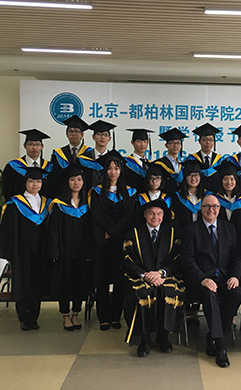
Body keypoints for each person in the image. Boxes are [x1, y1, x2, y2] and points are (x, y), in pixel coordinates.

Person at [181, 195, 241, 368]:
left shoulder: (229, 228)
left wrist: (235, 276)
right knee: (209, 294)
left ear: (219, 208)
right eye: (207, 206)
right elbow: (187, 259)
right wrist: (202, 278)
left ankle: (214, 337)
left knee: (237, 293)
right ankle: (220, 345)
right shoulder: (190, 230)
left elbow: (237, 257)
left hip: (224, 277)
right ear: (201, 208)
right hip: (200, 281)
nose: (211, 210)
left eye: (215, 206)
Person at [121, 199, 185, 357]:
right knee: (142, 294)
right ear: (145, 215)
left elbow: (179, 258)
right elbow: (126, 260)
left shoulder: (172, 234)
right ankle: (145, 339)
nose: (155, 217)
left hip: (165, 276)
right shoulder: (134, 233)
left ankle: (163, 336)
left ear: (164, 216)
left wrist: (162, 273)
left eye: (159, 214)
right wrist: (144, 274)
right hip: (141, 276)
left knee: (168, 292)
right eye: (151, 213)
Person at [0, 167, 51, 331]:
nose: (35, 184)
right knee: (22, 283)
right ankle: (23, 317)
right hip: (22, 251)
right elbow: (8, 230)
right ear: (25, 183)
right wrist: (10, 253)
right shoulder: (15, 204)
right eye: (31, 181)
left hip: (40, 251)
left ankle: (34, 316)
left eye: (38, 181)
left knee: (37, 284)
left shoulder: (47, 203)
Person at [89, 150, 137, 331]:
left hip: (121, 243)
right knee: (101, 281)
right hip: (102, 243)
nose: (112, 172)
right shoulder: (96, 192)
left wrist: (114, 232)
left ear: (121, 170)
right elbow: (96, 216)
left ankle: (116, 316)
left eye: (116, 168)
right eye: (109, 168)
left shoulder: (130, 192)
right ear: (104, 171)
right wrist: (109, 232)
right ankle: (103, 317)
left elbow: (129, 217)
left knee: (120, 281)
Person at [47, 164, 92, 331]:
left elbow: (90, 230)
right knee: (64, 282)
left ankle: (76, 314)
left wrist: (89, 250)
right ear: (67, 182)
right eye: (72, 179)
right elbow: (54, 230)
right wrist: (55, 250)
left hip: (81, 251)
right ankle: (65, 315)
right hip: (64, 251)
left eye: (79, 179)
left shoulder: (88, 203)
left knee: (80, 282)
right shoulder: (59, 204)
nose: (76, 183)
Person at [2, 129, 52, 201]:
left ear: (42, 146)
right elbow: (7, 190)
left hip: (44, 208)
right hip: (19, 208)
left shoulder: (49, 167)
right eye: (30, 144)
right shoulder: (13, 167)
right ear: (25, 146)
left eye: (37, 144)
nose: (34, 147)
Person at [50, 115, 92, 198]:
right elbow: (53, 177)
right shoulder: (58, 154)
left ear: (82, 134)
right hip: (62, 194)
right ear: (66, 134)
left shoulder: (90, 153)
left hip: (84, 195)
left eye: (76, 131)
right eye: (70, 131)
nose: (73, 134)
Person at [211, 160, 241, 241]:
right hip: (220, 241)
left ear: (236, 181)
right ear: (221, 181)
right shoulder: (215, 200)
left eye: (232, 179)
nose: (229, 182)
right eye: (225, 179)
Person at [77, 120, 117, 191]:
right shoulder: (84, 159)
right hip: (88, 197)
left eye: (105, 135)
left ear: (109, 139)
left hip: (109, 197)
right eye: (99, 134)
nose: (102, 137)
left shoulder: (114, 159)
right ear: (93, 137)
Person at [185, 124, 223, 191]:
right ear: (199, 141)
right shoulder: (191, 159)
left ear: (214, 142)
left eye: (211, 140)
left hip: (216, 196)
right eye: (204, 140)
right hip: (197, 196)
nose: (208, 142)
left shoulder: (220, 160)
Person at [170, 160, 205, 231]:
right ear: (185, 177)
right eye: (190, 175)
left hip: (203, 236)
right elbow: (175, 220)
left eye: (196, 175)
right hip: (184, 235)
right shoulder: (177, 197)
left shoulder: (207, 196)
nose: (193, 178)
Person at [153, 128, 187, 195]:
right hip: (165, 199)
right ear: (166, 145)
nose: (175, 145)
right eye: (172, 143)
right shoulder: (158, 165)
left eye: (178, 143)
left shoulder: (183, 165)